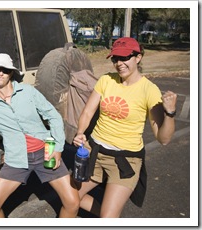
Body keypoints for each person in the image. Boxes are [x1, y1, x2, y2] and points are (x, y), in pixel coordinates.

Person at [0, 53, 80, 218]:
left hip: (46, 153)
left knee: (72, 202)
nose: (0, 73)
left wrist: (58, 148)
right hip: (17, 159)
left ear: (11, 72)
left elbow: (53, 116)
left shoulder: (28, 91)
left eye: (4, 70)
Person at [72, 37, 177, 218]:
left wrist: (170, 113)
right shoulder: (106, 80)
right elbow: (88, 112)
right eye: (115, 59)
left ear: (138, 57)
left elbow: (164, 138)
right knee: (69, 197)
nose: (119, 64)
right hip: (95, 152)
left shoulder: (149, 90)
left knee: (107, 217)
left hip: (125, 160)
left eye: (124, 58)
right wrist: (80, 133)